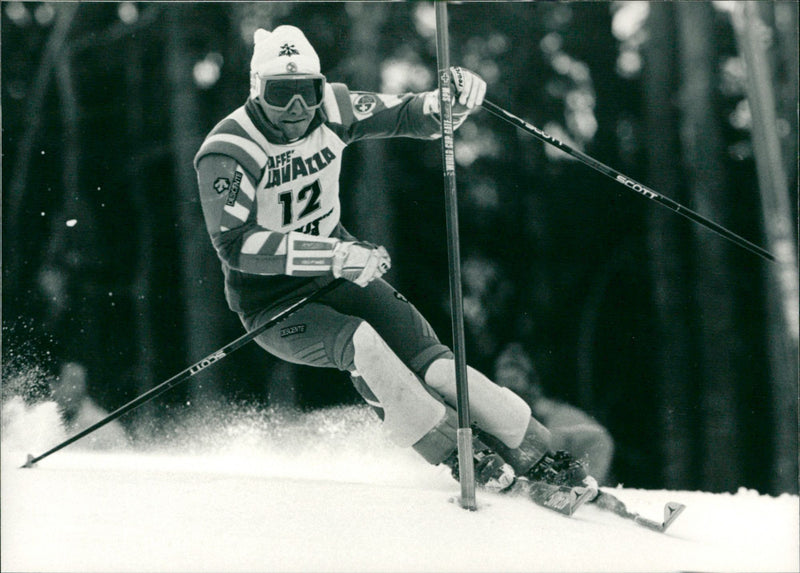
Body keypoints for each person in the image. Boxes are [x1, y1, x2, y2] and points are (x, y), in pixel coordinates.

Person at [194, 25, 597, 496]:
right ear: (255, 90)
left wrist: (451, 102)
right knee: (362, 345)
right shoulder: (228, 151)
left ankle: (539, 453)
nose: (298, 109)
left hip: (342, 270)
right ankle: (453, 451)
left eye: (307, 91)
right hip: (272, 302)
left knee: (438, 365)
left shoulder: (334, 109)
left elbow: (408, 114)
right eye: (281, 94)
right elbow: (236, 246)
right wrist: (333, 255)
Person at [494, 343, 615, 485]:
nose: (508, 387)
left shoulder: (555, 415)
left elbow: (598, 439)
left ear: (531, 382)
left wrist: (583, 481)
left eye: (514, 380)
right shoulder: (498, 419)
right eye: (502, 381)